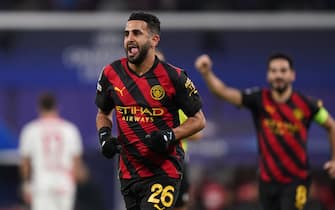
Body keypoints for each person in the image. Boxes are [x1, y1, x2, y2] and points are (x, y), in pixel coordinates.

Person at [194, 53, 335, 210]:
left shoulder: (307, 104)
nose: (278, 75)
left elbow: (331, 126)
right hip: (267, 181)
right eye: (274, 71)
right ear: (268, 75)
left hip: (297, 180)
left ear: (292, 75)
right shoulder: (259, 100)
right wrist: (206, 73)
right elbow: (223, 92)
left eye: (283, 70)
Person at [95, 12, 206, 210]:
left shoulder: (174, 77)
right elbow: (103, 113)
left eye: (136, 33)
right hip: (128, 172)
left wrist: (168, 135)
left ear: (154, 40)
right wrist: (104, 136)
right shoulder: (111, 73)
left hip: (164, 170)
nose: (130, 39)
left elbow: (198, 120)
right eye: (127, 33)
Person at [19, 93, 84, 210]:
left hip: (41, 183)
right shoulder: (70, 129)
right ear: (57, 107)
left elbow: (25, 163)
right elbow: (76, 162)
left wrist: (26, 185)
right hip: (64, 182)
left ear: (39, 107)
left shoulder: (30, 130)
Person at [155, 48, 203, 210]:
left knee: (179, 204)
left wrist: (170, 134)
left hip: (177, 160)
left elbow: (198, 130)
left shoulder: (176, 95)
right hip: (149, 163)